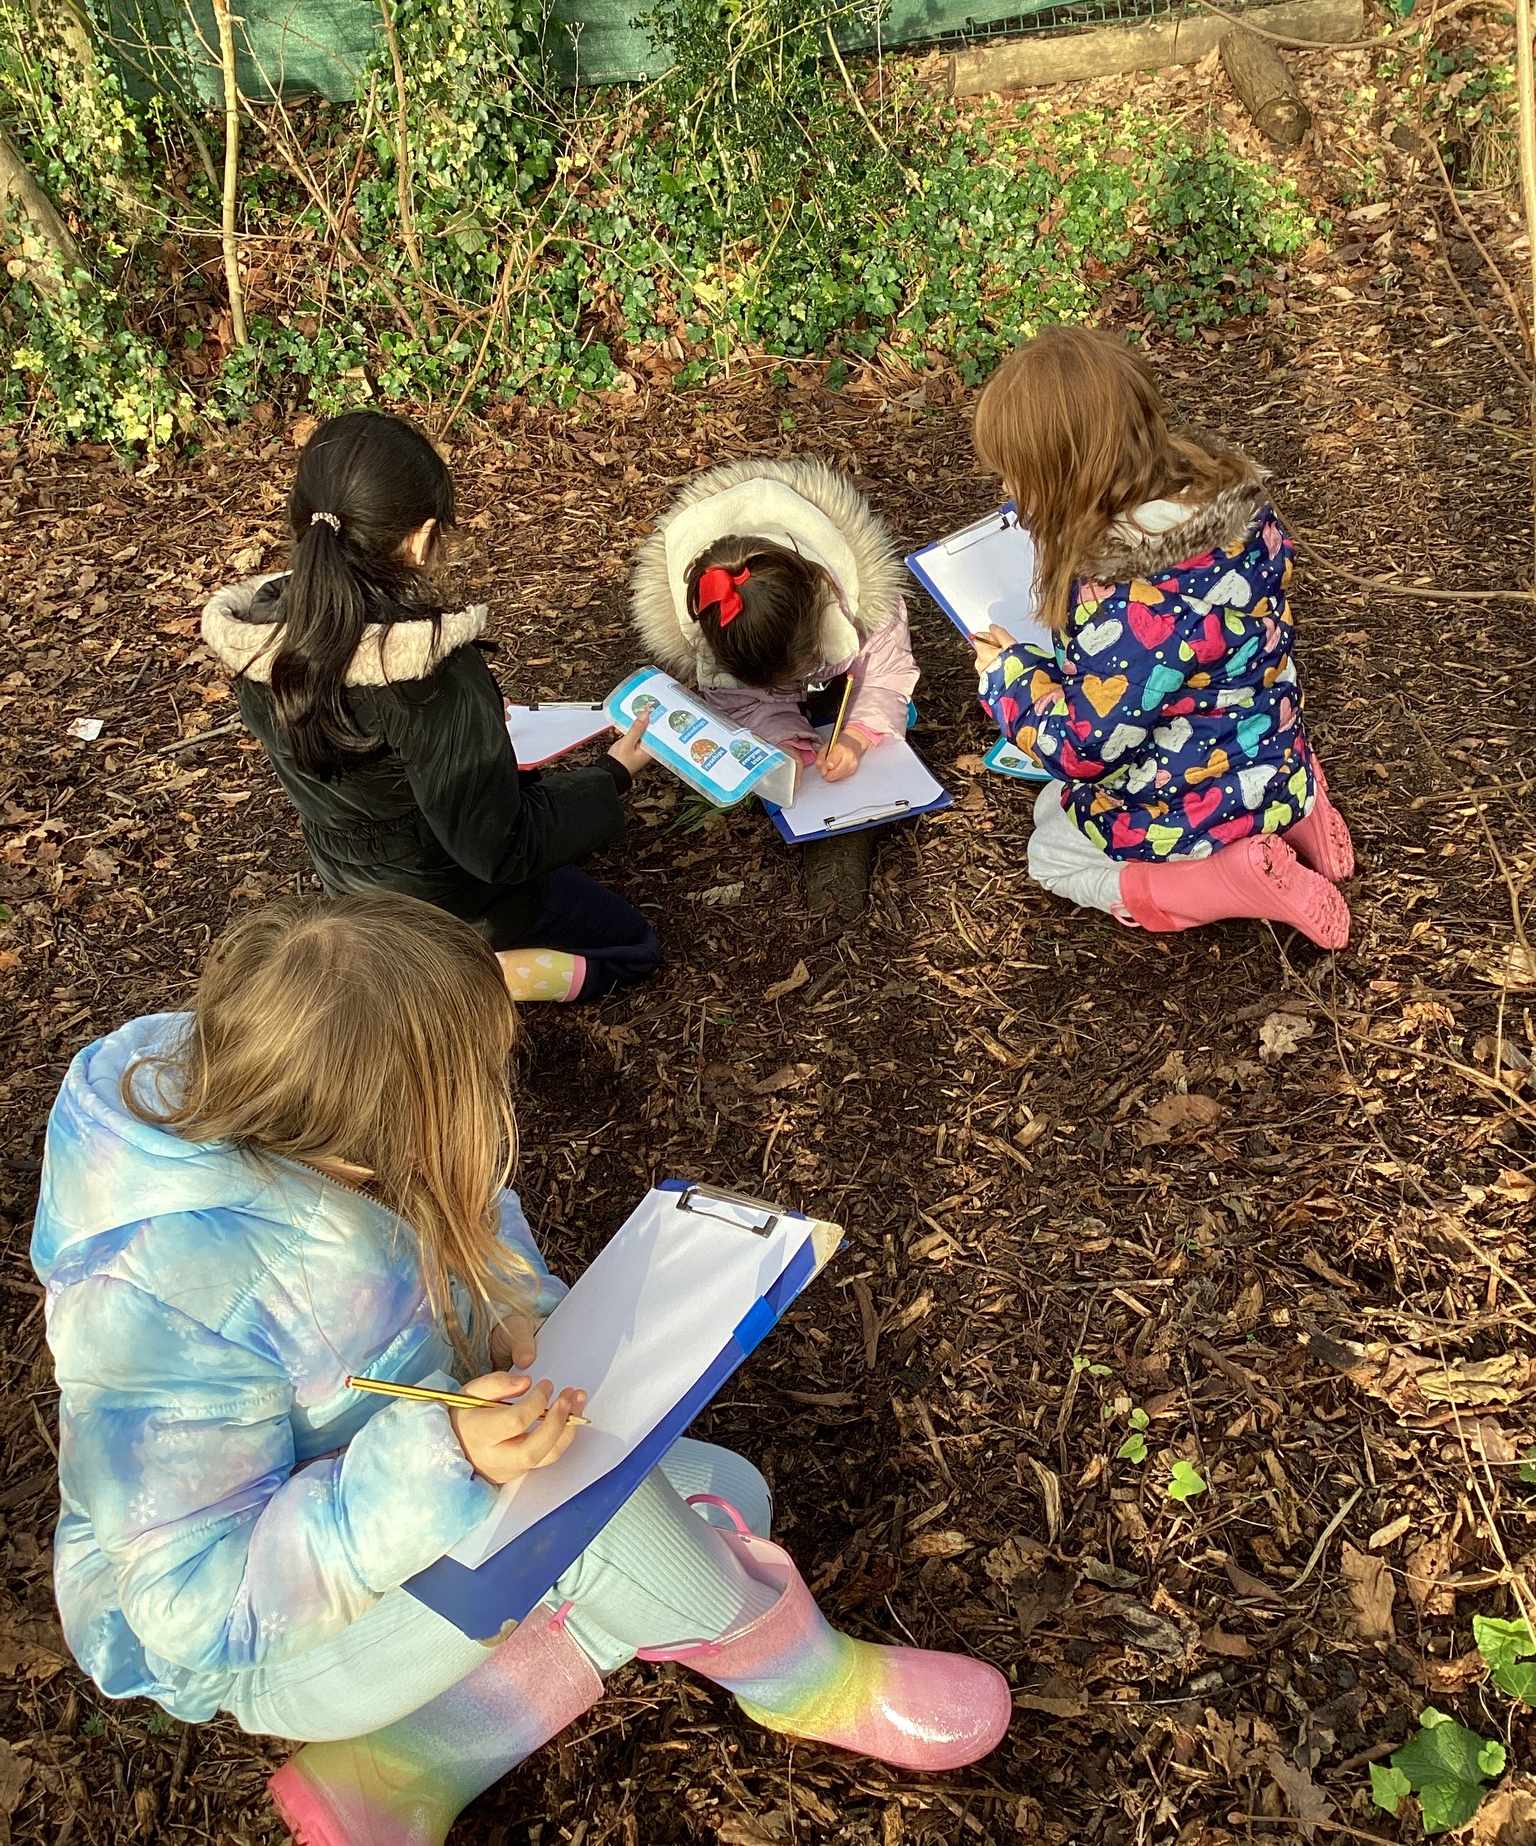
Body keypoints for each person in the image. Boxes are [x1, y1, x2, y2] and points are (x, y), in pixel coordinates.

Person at [34, 894, 1012, 1846]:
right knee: (599, 1515)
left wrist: (512, 1309)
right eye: (474, 1086)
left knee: (728, 1492)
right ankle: (802, 1681)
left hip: (415, 1511)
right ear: (388, 1116)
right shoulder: (167, 1296)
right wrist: (443, 1458)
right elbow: (194, 1603)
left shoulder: (311, 1101)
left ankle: (406, 1765)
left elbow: (474, 1218)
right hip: (274, 1644)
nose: (497, 1103)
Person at [201, 411, 658, 1002]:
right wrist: (612, 775)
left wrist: (473, 737)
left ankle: (423, 968)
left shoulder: (261, 634)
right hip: (453, 904)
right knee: (632, 949)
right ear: (419, 539)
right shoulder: (428, 674)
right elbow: (498, 848)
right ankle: (464, 980)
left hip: (353, 892)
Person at [970, 327, 1355, 945]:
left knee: (1050, 851)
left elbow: (1085, 748)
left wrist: (1008, 677)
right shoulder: (1237, 511)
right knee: (1056, 804)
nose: (1010, 494)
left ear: (1067, 475)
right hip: (1273, 747)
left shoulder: (1126, 606)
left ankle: (1228, 878)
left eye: (1019, 477)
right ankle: (1304, 811)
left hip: (1191, 800)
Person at [631, 457, 918, 784]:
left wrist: (857, 735)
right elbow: (743, 704)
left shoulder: (868, 598)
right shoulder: (716, 635)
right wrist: (783, 745)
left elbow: (887, 672)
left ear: (821, 600)